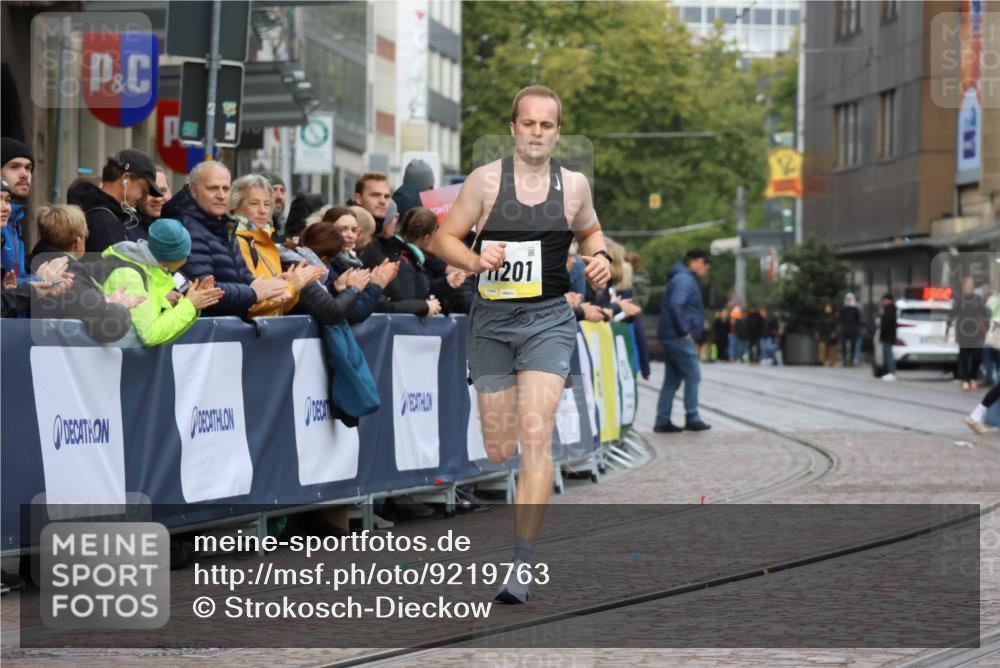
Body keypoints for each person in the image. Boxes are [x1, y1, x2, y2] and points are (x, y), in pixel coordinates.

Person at [430, 85, 612, 604]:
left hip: (548, 321)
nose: (536, 133)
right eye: (528, 124)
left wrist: (599, 258)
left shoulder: (574, 185)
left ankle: (522, 565)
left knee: (536, 434)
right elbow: (446, 238)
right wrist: (473, 261)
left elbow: (591, 233)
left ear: (558, 131)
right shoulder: (485, 181)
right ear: (513, 128)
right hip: (490, 320)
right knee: (499, 446)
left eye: (546, 125)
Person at [162, 161, 289, 317]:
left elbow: (243, 276)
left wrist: (271, 286)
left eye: (225, 188)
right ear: (193, 191)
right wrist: (253, 293)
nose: (221, 195)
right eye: (213, 188)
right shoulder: (186, 227)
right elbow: (204, 289)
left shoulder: (223, 224)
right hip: (205, 333)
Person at [101, 219, 224, 346]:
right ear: (174, 257)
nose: (187, 259)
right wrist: (189, 305)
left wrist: (183, 304)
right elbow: (150, 336)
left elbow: (158, 325)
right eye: (186, 255)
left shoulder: (147, 269)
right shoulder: (130, 276)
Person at [28, 204, 139, 342]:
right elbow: (108, 325)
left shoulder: (41, 262)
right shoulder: (66, 275)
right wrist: (119, 306)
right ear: (78, 240)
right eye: (85, 236)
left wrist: (104, 301)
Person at [232, 174, 323, 317]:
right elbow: (249, 303)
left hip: (269, 332)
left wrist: (295, 287)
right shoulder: (236, 241)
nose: (263, 210)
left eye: (267, 204)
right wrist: (291, 287)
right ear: (236, 206)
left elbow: (281, 307)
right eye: (254, 203)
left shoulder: (268, 244)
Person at [655, 249, 711, 433]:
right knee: (693, 375)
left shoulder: (682, 278)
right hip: (678, 336)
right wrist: (684, 330)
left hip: (671, 335)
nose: (705, 270)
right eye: (705, 266)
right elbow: (676, 304)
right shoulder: (685, 280)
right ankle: (692, 417)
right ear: (696, 262)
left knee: (671, 380)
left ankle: (662, 420)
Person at [68, 149, 163, 252]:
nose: (143, 198)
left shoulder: (90, 208)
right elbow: (111, 266)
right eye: (143, 190)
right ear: (125, 179)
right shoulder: (106, 222)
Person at [1, 139, 34, 285]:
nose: (24, 174)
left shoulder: (14, 218)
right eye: (14, 167)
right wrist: (42, 280)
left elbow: (14, 279)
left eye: (28, 168)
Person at [950, 277, 989, 392]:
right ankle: (966, 380)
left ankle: (973, 378)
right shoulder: (958, 299)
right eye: (967, 284)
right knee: (964, 356)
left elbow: (984, 314)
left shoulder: (978, 298)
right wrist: (947, 331)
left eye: (971, 284)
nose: (969, 286)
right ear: (963, 287)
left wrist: (987, 330)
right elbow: (952, 314)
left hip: (977, 332)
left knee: (977, 356)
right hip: (962, 331)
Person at [131, 165, 172, 241]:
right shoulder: (127, 229)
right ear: (139, 195)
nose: (158, 198)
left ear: (171, 192)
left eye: (163, 190)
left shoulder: (185, 224)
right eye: (150, 192)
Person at [878, 293, 898, 381]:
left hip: (888, 336)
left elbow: (885, 324)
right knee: (886, 355)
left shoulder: (890, 310)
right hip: (886, 336)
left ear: (889, 300)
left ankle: (892, 373)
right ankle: (889, 372)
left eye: (884, 300)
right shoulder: (888, 309)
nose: (883, 302)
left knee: (889, 355)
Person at [839, 293, 861, 367]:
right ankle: (844, 360)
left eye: (850, 300)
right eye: (847, 300)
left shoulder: (855, 310)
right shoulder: (843, 309)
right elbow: (840, 319)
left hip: (853, 330)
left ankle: (852, 360)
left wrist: (855, 326)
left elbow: (858, 320)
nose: (848, 301)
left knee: (853, 345)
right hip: (845, 329)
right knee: (844, 345)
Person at [817, 302, 839, 367]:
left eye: (829, 308)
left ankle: (832, 362)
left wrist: (835, 333)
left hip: (832, 335)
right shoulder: (822, 317)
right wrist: (818, 333)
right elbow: (819, 326)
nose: (827, 309)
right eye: (826, 308)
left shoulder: (834, 317)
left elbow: (837, 326)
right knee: (822, 346)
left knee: (832, 348)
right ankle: (821, 360)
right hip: (824, 334)